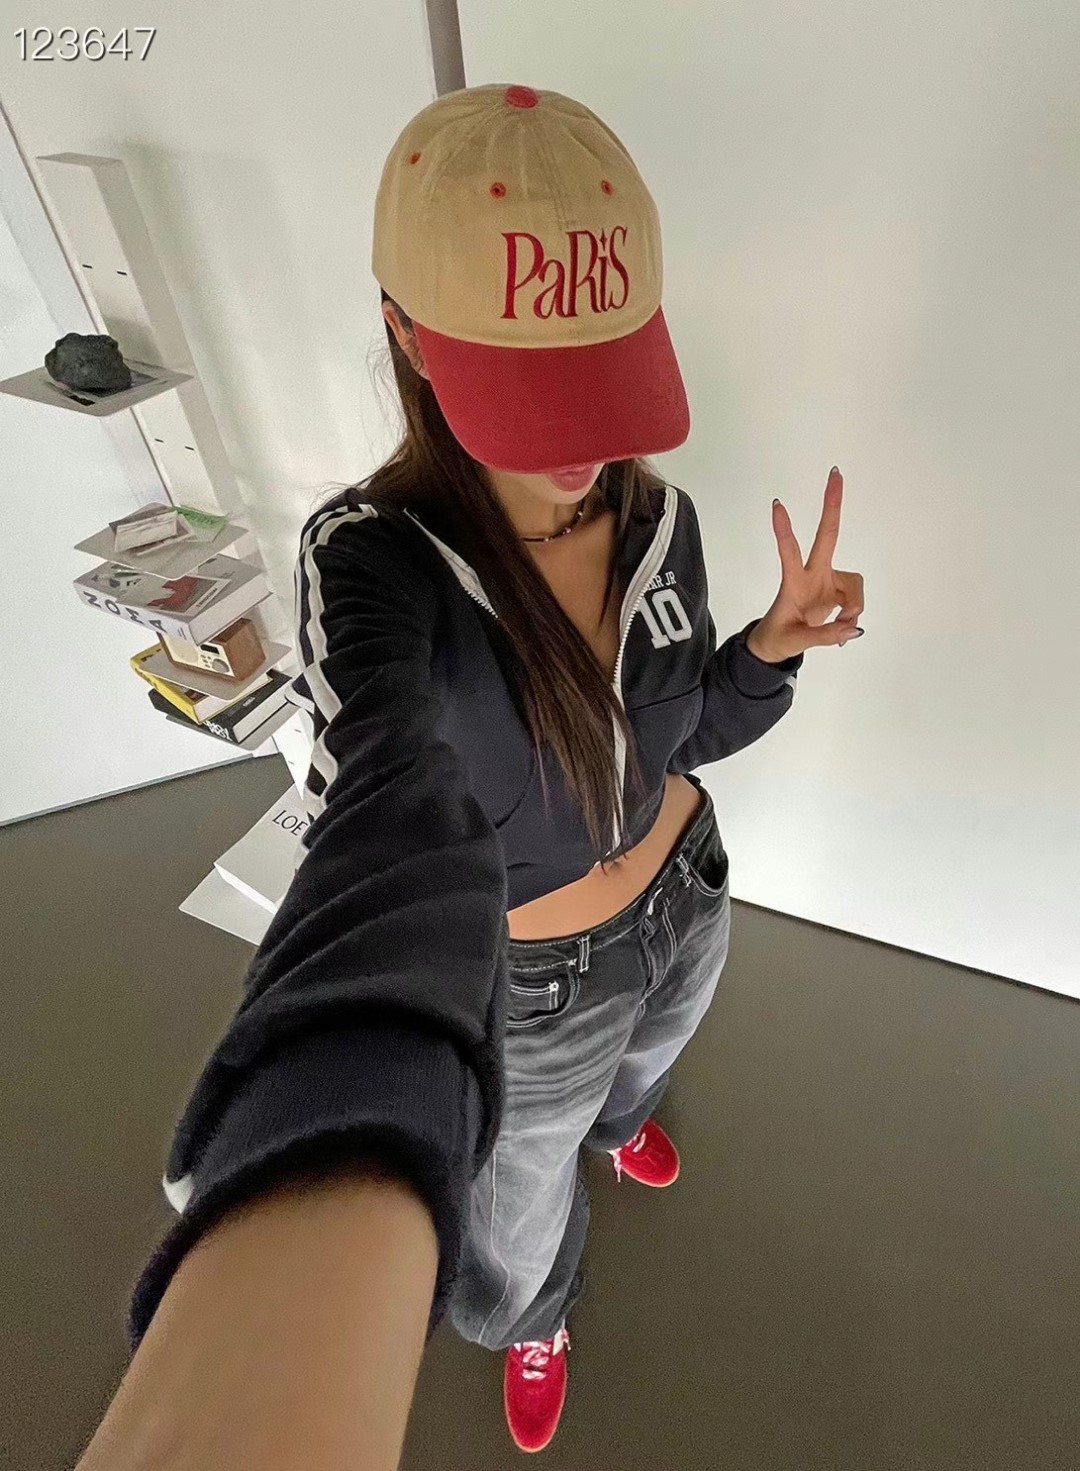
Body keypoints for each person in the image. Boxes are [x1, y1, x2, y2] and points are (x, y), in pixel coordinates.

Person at [77, 83, 865, 1467]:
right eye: (534, 395)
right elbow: (379, 801)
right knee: (510, 1229)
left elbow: (677, 734)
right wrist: (314, 1147)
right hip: (531, 983)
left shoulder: (661, 519)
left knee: (639, 1080)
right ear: (407, 334)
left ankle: (623, 1123)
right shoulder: (372, 566)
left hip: (688, 902)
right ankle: (536, 1319)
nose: (583, 447)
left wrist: (768, 653)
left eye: (604, 385)